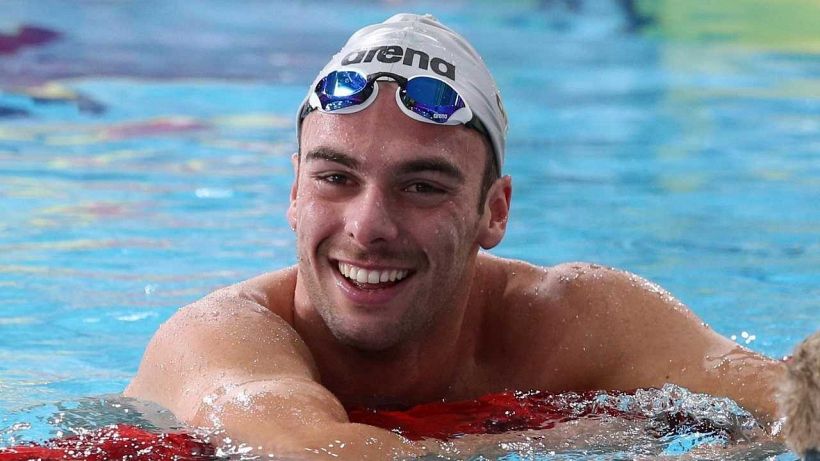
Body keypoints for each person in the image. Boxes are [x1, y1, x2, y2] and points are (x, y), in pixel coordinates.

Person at [124, 13, 784, 459]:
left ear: (493, 211)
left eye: (422, 186)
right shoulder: (217, 338)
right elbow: (312, 455)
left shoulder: (578, 320)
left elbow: (794, 399)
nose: (368, 226)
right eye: (336, 178)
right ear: (295, 193)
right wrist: (566, 441)